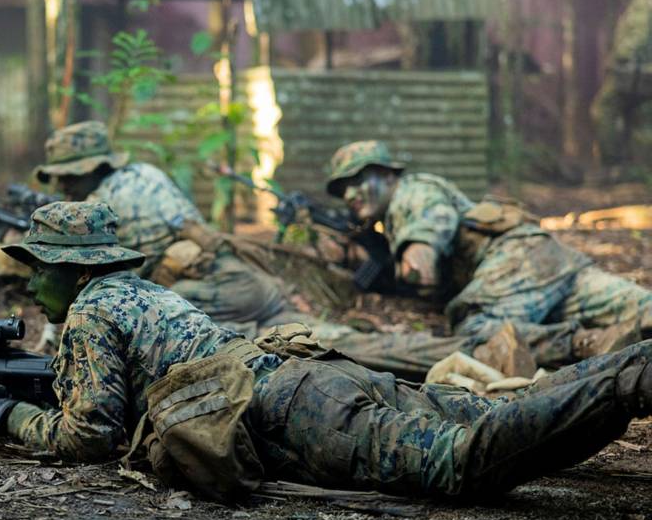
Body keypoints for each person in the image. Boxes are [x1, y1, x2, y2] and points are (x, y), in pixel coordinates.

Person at [0, 201, 652, 499]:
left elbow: (90, 435)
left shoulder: (90, 311)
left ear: (72, 270)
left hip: (297, 411)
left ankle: (631, 378)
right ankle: (625, 365)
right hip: (311, 375)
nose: (28, 282)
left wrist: (7, 416)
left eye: (36, 267)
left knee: (462, 460)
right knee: (476, 410)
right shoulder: (139, 292)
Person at [30, 121, 472, 379]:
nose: (63, 184)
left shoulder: (100, 203)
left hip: (216, 289)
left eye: (69, 175)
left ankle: (459, 353)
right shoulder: (142, 176)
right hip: (235, 281)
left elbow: (87, 282)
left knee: (206, 340)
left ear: (93, 168)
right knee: (318, 340)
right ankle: (453, 352)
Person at [325, 140, 652, 369]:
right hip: (548, 260)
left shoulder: (412, 193)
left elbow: (428, 239)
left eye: (358, 180)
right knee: (640, 308)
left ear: (388, 175)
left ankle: (587, 342)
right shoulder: (395, 214)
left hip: (515, 262)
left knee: (475, 328)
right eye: (342, 190)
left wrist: (412, 260)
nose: (349, 194)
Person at [590, 0, 652, 167]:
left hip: (632, 73)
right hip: (641, 74)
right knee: (640, 121)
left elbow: (638, 37)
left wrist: (617, 58)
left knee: (603, 110)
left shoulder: (640, 7)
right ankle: (639, 168)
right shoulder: (643, 5)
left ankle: (613, 163)